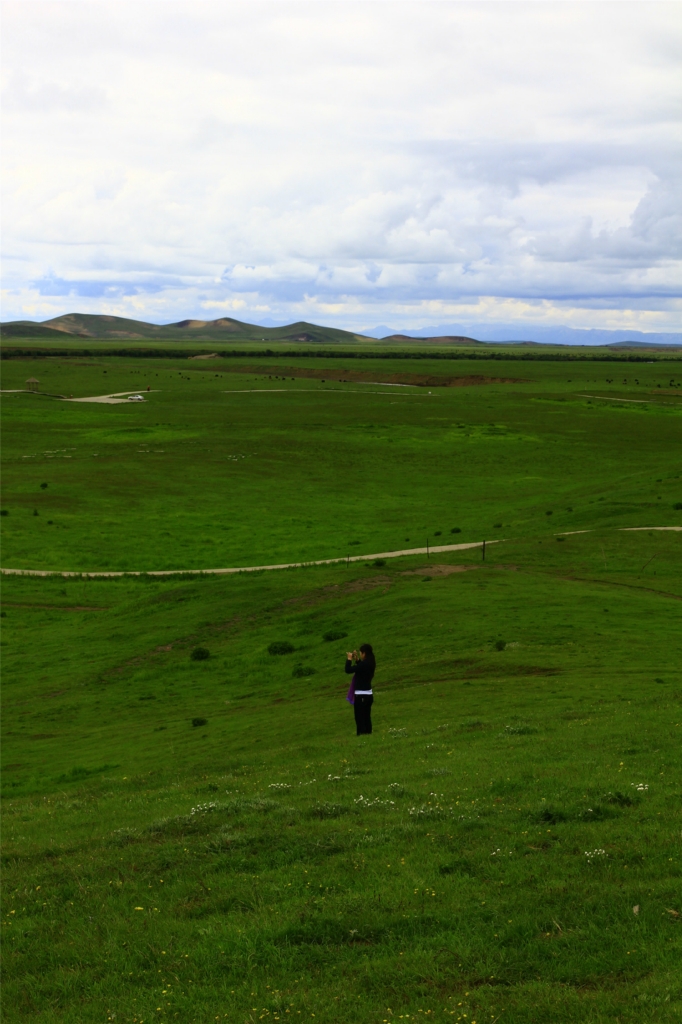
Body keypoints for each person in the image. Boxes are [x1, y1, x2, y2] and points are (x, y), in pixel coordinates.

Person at [345, 644, 375, 735]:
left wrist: (349, 659)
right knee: (366, 716)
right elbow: (362, 669)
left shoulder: (364, 664)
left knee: (359, 717)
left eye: (361, 653)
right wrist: (357, 660)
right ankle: (368, 733)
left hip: (361, 695)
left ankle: (362, 734)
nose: (360, 654)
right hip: (369, 695)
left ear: (364, 653)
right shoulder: (371, 663)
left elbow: (348, 670)